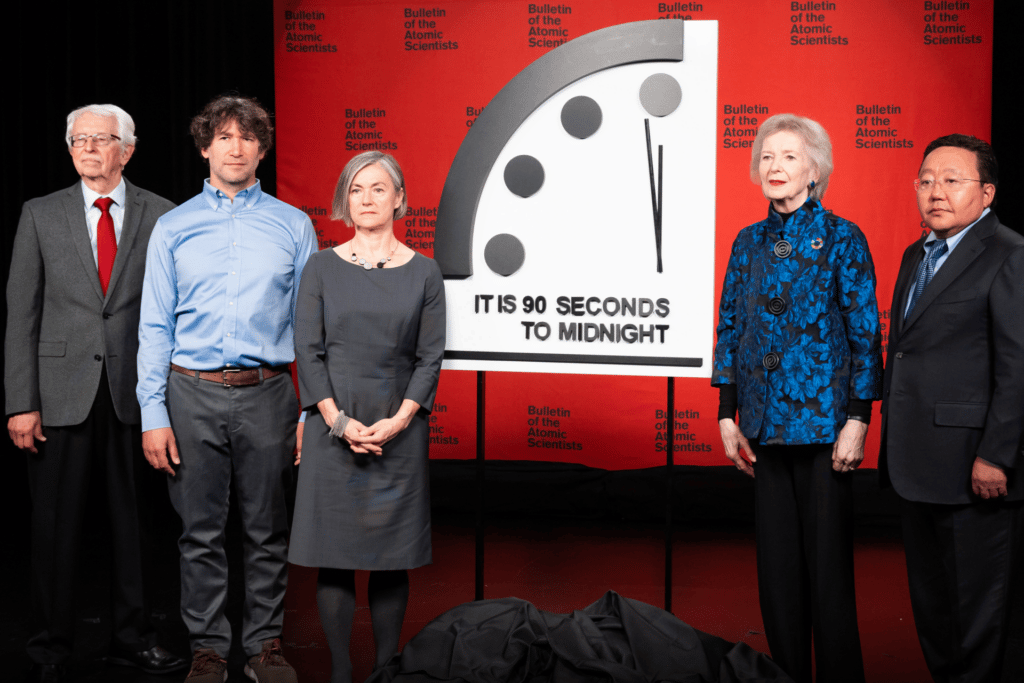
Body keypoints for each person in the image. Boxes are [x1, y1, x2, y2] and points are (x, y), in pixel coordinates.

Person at [136, 95, 315, 683]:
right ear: (205, 146)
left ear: (261, 148)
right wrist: (152, 413)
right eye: (224, 136)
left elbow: (308, 329)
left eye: (248, 137)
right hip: (189, 394)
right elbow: (155, 325)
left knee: (268, 529)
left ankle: (265, 646)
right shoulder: (173, 227)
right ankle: (210, 649)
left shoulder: (293, 225)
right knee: (200, 532)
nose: (235, 147)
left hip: (269, 394)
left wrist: (310, 410)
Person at [5, 104, 186, 683]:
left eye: (100, 140)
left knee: (136, 527)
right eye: (77, 140)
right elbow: (21, 314)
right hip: (58, 396)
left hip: (138, 395)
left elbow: (178, 311)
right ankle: (49, 649)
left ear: (126, 150)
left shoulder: (164, 215)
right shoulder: (40, 214)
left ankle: (131, 639)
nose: (87, 150)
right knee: (56, 530)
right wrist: (19, 401)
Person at [711, 113, 882, 682]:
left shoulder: (843, 237)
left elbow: (865, 335)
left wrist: (859, 418)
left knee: (827, 575)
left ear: (814, 170)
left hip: (824, 429)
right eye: (766, 157)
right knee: (777, 574)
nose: (775, 166)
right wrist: (726, 413)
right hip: (761, 427)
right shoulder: (748, 241)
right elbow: (729, 325)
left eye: (788, 156)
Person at [290, 151, 446, 683]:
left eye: (379, 189)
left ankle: (384, 669)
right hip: (333, 425)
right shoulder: (320, 267)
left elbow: (429, 358)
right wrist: (335, 421)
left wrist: (400, 422)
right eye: (357, 190)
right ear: (344, 200)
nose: (367, 199)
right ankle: (340, 670)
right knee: (334, 555)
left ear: (400, 199)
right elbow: (307, 352)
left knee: (390, 556)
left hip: (398, 429)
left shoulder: (425, 272)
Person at [879, 134, 1024, 683]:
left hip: (975, 467)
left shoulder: (1010, 254)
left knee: (977, 618)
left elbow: (1018, 366)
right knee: (934, 611)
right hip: (917, 463)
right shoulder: (917, 253)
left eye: (952, 180)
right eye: (926, 180)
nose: (935, 192)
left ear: (986, 193)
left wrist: (997, 456)